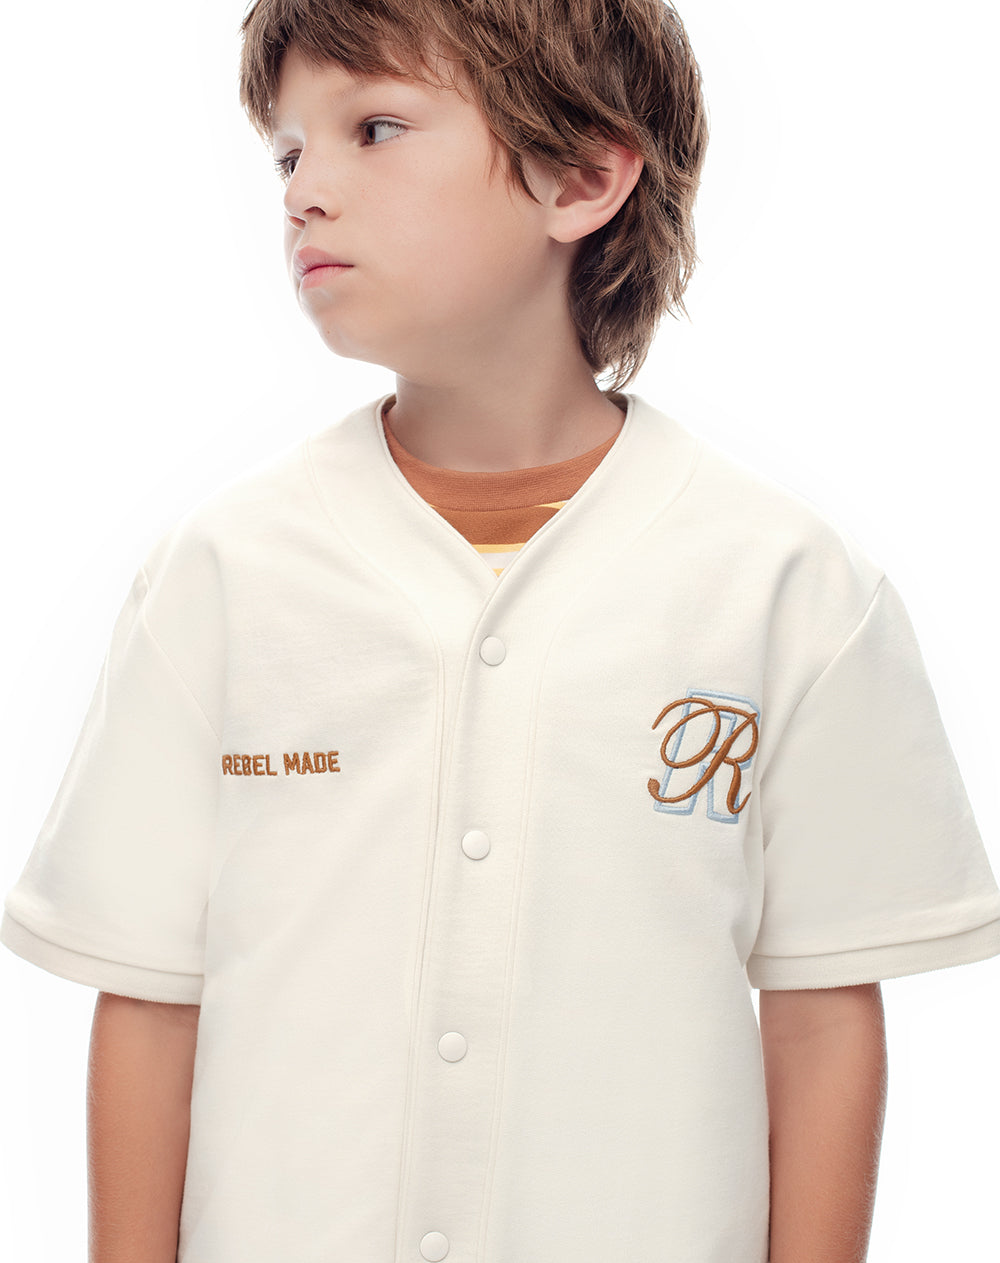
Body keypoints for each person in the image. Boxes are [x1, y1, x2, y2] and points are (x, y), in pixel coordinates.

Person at [2, 2, 998, 1261]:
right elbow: (151, 998)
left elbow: (819, 1014)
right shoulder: (222, 577)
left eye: (374, 129)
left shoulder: (787, 588)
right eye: (289, 152)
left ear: (581, 177)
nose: (304, 192)